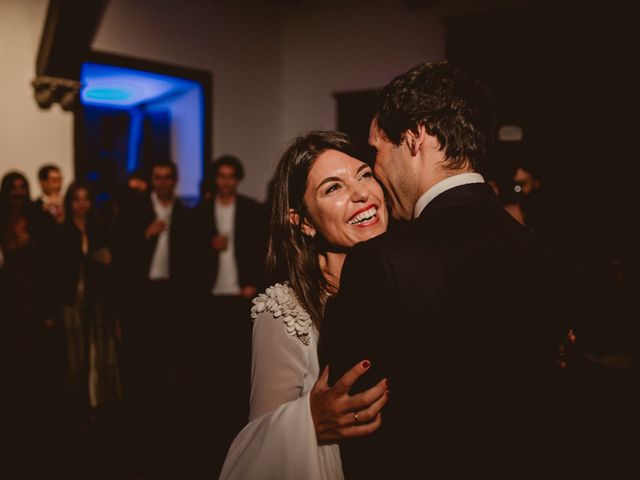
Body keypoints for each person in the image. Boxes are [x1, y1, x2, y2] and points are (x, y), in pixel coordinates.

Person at [319, 61, 568, 478]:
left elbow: (354, 417)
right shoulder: (537, 249)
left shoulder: (381, 260)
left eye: (378, 151)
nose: (377, 170)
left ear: (414, 138)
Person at [219, 131, 390, 480]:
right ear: (304, 222)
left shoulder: (400, 286)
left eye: (364, 174)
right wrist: (310, 420)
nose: (361, 194)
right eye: (333, 188)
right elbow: (257, 444)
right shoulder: (283, 313)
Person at [191, 155, 268, 470]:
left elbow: (264, 251)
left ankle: (237, 418)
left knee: (239, 361)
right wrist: (208, 246)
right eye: (220, 176)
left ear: (237, 179)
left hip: (240, 296)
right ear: (215, 179)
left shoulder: (251, 209)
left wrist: (253, 284)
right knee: (211, 361)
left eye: (230, 176)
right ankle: (211, 420)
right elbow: (187, 258)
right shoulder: (198, 214)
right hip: (211, 297)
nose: (225, 181)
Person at [56, 181, 122, 416]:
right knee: (75, 354)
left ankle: (98, 402)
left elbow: (112, 271)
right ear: (70, 202)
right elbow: (56, 271)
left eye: (86, 199)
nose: (82, 204)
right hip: (72, 301)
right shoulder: (62, 231)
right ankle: (76, 406)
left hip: (98, 301)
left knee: (99, 350)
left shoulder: (100, 230)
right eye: (77, 199)